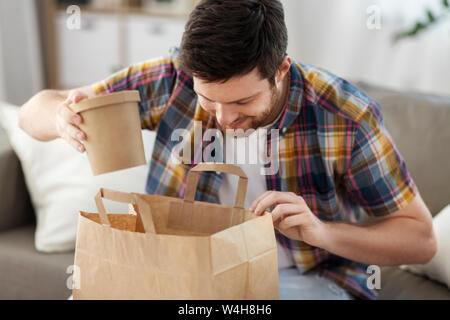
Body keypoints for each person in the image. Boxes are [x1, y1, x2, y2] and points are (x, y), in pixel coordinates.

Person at [19, 0, 436, 300]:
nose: (222, 118)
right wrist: (59, 117)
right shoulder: (171, 79)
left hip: (303, 277)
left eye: (241, 102)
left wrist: (322, 233)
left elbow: (420, 240)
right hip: (177, 267)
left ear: (281, 70)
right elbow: (34, 112)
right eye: (208, 99)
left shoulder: (346, 116)